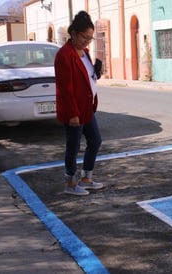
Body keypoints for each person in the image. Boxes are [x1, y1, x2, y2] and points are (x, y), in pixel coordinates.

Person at [54, 11, 103, 196]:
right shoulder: (64, 55)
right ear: (73, 33)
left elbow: (87, 77)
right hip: (74, 110)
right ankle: (70, 184)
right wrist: (73, 113)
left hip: (87, 108)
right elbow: (65, 88)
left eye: (90, 38)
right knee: (73, 147)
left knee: (95, 141)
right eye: (84, 37)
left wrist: (96, 72)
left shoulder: (84, 53)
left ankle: (86, 178)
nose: (87, 41)